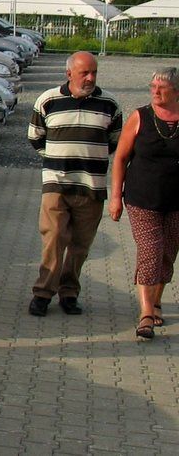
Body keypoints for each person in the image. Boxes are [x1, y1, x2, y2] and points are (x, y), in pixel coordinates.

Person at [27, 51, 122, 317]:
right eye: (84, 73)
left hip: (91, 186)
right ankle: (43, 294)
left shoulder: (110, 104)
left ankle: (69, 293)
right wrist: (59, 158)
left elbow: (113, 141)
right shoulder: (48, 100)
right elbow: (36, 138)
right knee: (54, 238)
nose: (90, 78)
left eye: (94, 72)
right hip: (56, 182)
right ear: (69, 73)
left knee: (80, 245)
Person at [109, 67, 179, 339]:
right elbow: (120, 158)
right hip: (142, 199)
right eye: (153, 87)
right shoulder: (140, 117)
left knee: (167, 254)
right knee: (151, 251)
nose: (156, 92)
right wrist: (116, 196)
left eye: (162, 88)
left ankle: (157, 300)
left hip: (175, 201)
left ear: (176, 92)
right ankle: (146, 314)